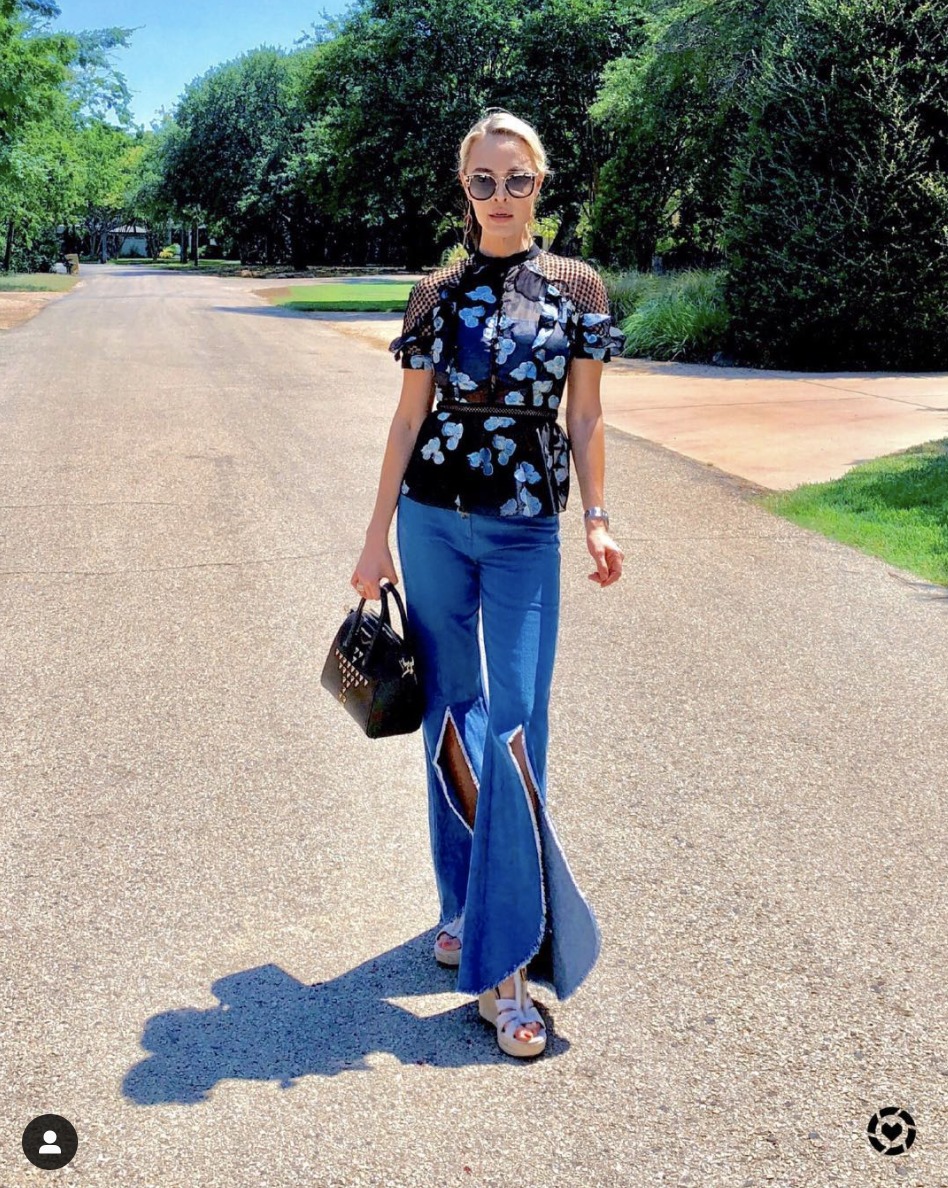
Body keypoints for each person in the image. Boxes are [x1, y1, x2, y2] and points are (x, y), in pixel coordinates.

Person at [351, 110, 625, 1059]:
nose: (500, 196)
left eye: (518, 180)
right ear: (462, 188)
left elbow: (584, 416)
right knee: (451, 715)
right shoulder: (435, 293)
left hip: (520, 531)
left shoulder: (577, 287)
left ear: (541, 185)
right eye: (483, 181)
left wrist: (595, 514)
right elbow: (404, 419)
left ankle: (508, 968)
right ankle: (467, 908)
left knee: (514, 726)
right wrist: (374, 536)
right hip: (431, 520)